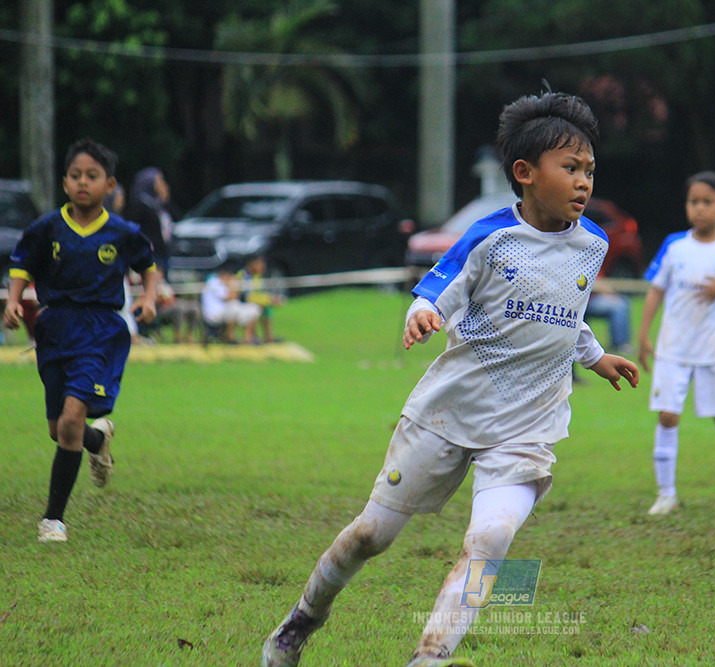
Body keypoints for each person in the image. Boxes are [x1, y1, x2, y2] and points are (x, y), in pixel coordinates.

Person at [261, 90, 639, 667]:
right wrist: (421, 313)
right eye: (571, 169)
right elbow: (437, 290)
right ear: (525, 174)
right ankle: (300, 623)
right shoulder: (488, 237)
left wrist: (594, 356)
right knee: (371, 537)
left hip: (525, 429)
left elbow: (562, 314)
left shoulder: (592, 246)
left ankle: (429, 659)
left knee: (489, 542)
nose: (584, 182)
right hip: (448, 412)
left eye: (590, 170)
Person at [2, 139, 158, 542]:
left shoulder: (122, 231)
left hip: (100, 330)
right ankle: (97, 438)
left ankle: (53, 519)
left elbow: (148, 264)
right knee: (61, 430)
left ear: (110, 185)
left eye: (92, 176)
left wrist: (149, 297)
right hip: (54, 329)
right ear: (65, 183)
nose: (82, 182)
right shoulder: (47, 227)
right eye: (75, 176)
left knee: (71, 418)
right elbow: (21, 265)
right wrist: (14, 303)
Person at [637, 171, 715, 515]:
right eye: (694, 202)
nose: (699, 209)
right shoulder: (674, 246)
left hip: (714, 351)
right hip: (673, 349)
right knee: (667, 417)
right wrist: (644, 336)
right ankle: (666, 493)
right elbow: (656, 289)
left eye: (707, 202)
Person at [126, 166, 175, 280]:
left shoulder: (157, 205)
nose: (162, 184)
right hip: (151, 254)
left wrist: (165, 200)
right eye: (159, 180)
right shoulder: (140, 205)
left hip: (162, 253)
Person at [200, 268, 260, 344]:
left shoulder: (224, 283)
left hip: (225, 311)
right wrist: (232, 285)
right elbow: (230, 298)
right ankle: (230, 336)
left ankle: (247, 338)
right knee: (233, 306)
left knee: (254, 308)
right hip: (214, 314)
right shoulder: (214, 282)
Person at [236, 255, 285, 343]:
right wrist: (267, 300)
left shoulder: (256, 276)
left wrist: (271, 299)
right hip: (240, 303)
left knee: (266, 308)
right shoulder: (244, 276)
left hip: (251, 302)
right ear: (251, 264)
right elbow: (247, 296)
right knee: (257, 308)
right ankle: (249, 336)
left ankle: (269, 336)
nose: (262, 267)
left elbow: (258, 293)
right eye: (259, 264)